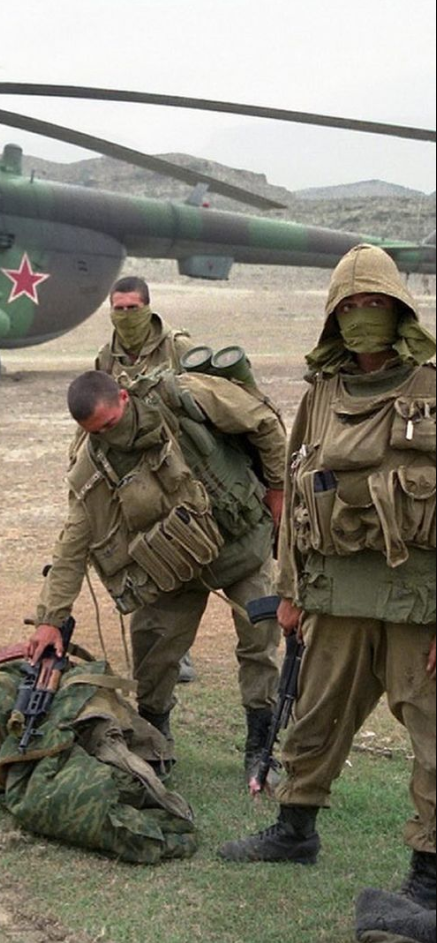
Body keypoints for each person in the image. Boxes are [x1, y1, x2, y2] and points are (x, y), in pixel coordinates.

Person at [218, 245, 436, 914]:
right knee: (315, 716)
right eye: (349, 307)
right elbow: (296, 493)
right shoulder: (322, 394)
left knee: (432, 734)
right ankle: (294, 830)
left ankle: (429, 872)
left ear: (399, 309)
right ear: (332, 318)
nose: (362, 317)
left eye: (375, 304)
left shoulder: (431, 387)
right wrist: (289, 592)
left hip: (419, 601)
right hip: (335, 594)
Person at [27, 369, 285, 774]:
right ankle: (154, 742)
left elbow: (264, 422)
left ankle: (260, 747)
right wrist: (50, 619)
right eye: (96, 432)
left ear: (124, 397)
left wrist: (279, 487)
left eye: (110, 424)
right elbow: (72, 546)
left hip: (242, 544)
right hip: (175, 569)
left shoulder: (183, 396)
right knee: (154, 655)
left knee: (260, 642)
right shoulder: (92, 467)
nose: (108, 436)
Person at [96, 275, 198, 684]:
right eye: (118, 309)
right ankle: (169, 653)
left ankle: (183, 649)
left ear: (148, 308)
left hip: (182, 467)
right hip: (135, 475)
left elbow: (212, 397)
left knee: (191, 552)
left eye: (132, 309)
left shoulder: (178, 347)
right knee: (147, 557)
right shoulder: (106, 357)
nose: (125, 316)